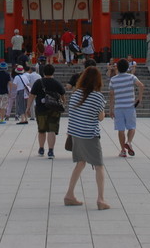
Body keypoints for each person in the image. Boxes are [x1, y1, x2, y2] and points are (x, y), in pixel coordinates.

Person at [63, 66, 109, 210]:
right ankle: (101, 199)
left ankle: (69, 195)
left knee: (80, 162)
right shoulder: (97, 96)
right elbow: (100, 117)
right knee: (99, 165)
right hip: (89, 134)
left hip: (75, 133)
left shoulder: (75, 94)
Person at [27, 63, 66, 159]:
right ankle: (51, 151)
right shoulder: (56, 82)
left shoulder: (38, 82)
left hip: (40, 108)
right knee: (52, 130)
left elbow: (31, 95)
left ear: (43, 72)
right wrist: (63, 103)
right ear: (53, 72)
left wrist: (27, 108)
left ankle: (41, 149)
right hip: (54, 109)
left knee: (41, 130)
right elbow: (63, 95)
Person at [108, 57, 145, 158]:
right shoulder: (131, 77)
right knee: (132, 127)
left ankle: (123, 150)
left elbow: (111, 95)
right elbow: (141, 86)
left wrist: (111, 109)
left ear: (117, 68)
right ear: (128, 67)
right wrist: (139, 98)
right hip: (130, 106)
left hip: (118, 107)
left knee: (121, 129)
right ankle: (129, 142)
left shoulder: (113, 80)